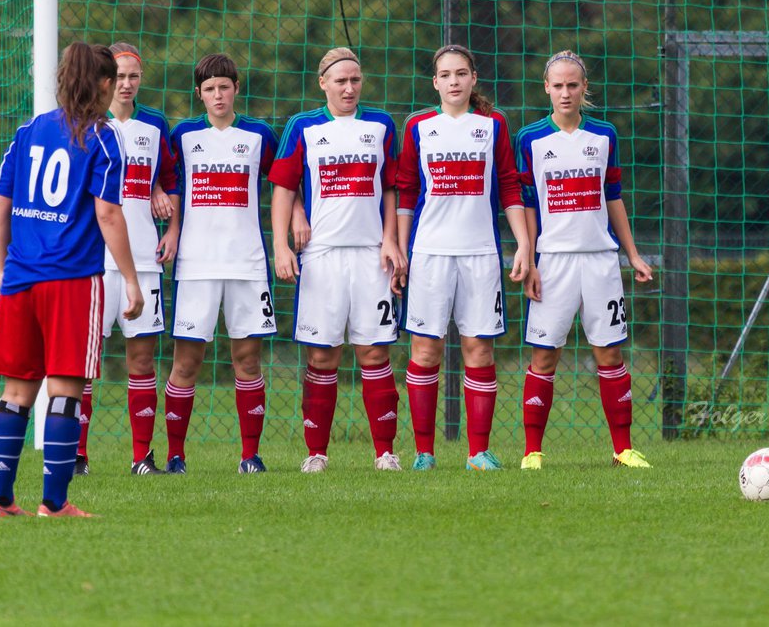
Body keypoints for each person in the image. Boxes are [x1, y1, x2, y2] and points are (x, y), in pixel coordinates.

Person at [0, 41, 142, 518]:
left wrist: (3, 272)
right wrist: (132, 281)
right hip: (72, 281)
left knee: (16, 393)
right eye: (113, 80)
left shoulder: (29, 130)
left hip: (20, 281)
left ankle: (1, 501)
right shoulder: (102, 137)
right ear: (102, 84)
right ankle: (54, 503)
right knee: (65, 392)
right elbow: (108, 212)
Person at [270, 46, 408, 472]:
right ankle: (316, 453)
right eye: (341, 80)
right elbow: (284, 188)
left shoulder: (380, 124)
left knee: (373, 353)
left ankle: (385, 452)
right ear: (323, 83)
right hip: (322, 255)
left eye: (356, 80)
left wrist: (390, 240)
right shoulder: (303, 126)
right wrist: (280, 244)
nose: (349, 88)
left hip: (371, 256)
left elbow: (390, 189)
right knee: (322, 356)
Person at [515, 50, 654, 470]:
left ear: (584, 88)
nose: (565, 92)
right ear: (546, 88)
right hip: (552, 262)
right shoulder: (530, 139)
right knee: (544, 357)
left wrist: (632, 254)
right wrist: (531, 258)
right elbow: (527, 205)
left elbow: (613, 198)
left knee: (609, 354)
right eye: (557, 85)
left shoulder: (604, 135)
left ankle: (622, 449)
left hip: (600, 262)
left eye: (572, 85)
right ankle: (532, 452)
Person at [395, 44, 531, 471]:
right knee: (425, 350)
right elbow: (406, 190)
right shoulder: (418, 125)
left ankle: (478, 452)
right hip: (430, 254)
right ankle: (423, 453)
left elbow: (509, 185)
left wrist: (524, 244)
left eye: (461, 73)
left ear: (473, 79)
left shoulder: (493, 124)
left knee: (479, 351)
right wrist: (400, 248)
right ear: (435, 82)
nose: (453, 81)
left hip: (481, 255)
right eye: (445, 75)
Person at [167, 52, 291, 474]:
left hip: (247, 264)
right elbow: (167, 186)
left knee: (248, 360)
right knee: (186, 362)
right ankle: (175, 456)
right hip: (195, 266)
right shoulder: (182, 135)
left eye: (224, 86)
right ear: (198, 94)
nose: (217, 95)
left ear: (236, 88)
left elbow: (285, 187)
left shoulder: (260, 135)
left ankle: (250, 456)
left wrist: (297, 225)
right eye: (209, 89)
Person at [73, 42, 180, 477]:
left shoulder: (155, 125)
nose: (127, 83)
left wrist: (170, 225)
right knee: (83, 364)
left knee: (141, 360)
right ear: (104, 79)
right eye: (119, 76)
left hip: (143, 260)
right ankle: (77, 456)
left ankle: (142, 457)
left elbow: (172, 181)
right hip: (93, 261)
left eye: (134, 75)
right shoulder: (85, 126)